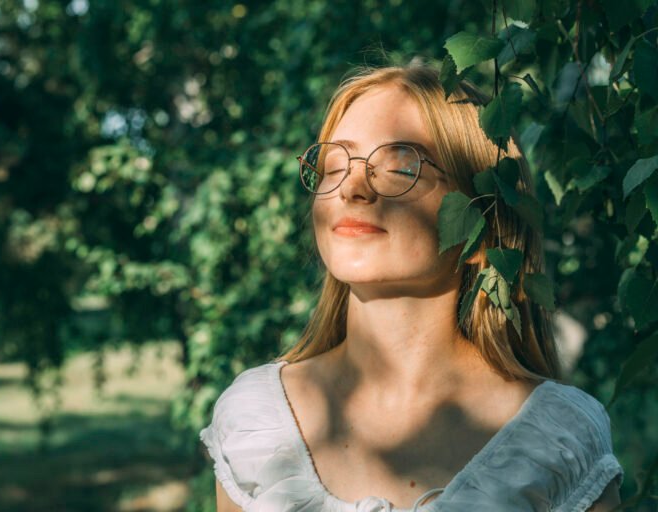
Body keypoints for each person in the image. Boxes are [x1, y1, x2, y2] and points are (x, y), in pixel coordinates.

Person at [198, 63, 624, 511]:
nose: (354, 188)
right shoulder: (255, 424)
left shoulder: (558, 439)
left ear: (482, 223)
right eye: (334, 164)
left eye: (402, 166)